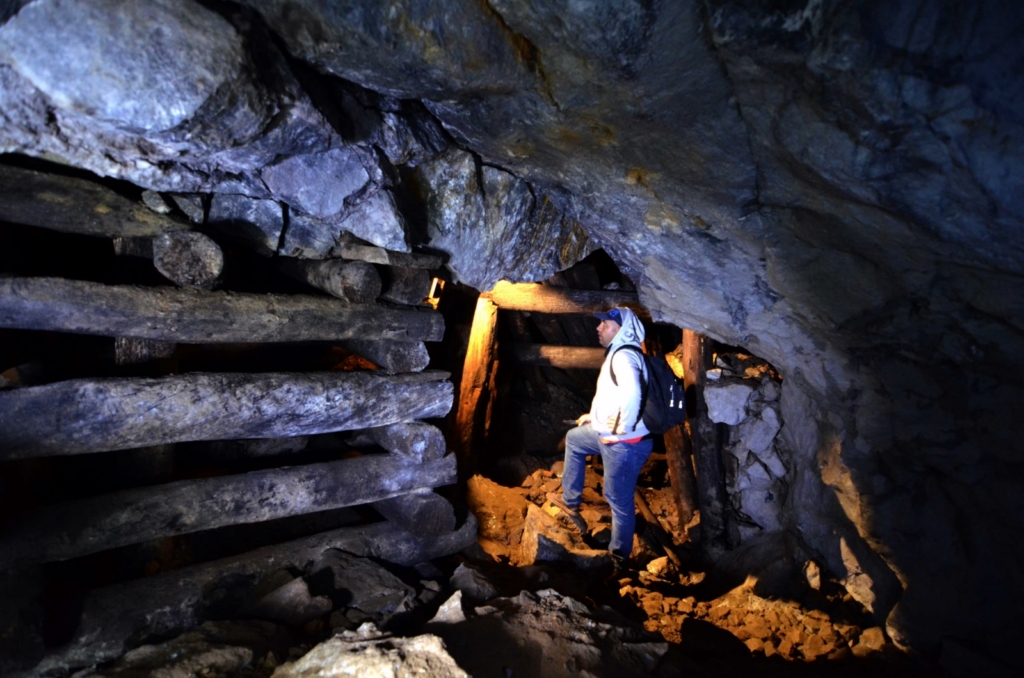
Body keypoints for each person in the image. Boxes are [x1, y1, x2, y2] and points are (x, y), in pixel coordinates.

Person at [548, 306, 653, 571]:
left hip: (624, 445)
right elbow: (614, 396)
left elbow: (633, 393)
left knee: (618, 500)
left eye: (605, 324)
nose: (599, 328)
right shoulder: (619, 353)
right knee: (575, 438)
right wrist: (594, 418)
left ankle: (618, 558)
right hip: (611, 436)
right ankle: (571, 503)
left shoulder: (624, 356)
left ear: (619, 329)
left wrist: (622, 427)